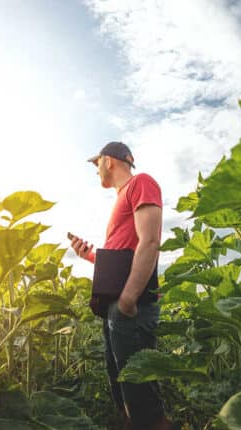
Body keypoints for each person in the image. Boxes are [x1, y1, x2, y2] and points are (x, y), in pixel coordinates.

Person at [70, 142, 173, 430]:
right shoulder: (122, 198)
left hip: (131, 303)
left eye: (97, 163)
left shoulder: (141, 182)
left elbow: (150, 241)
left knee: (138, 386)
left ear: (109, 160)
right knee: (123, 381)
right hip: (118, 303)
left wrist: (128, 300)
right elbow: (122, 256)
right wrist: (89, 255)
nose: (96, 170)